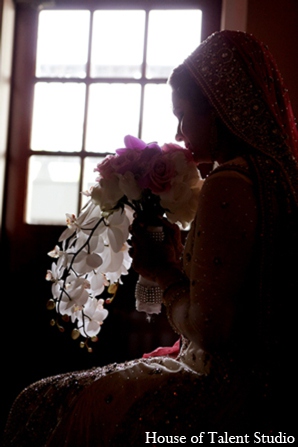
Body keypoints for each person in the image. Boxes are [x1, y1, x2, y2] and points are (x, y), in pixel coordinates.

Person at [3, 30, 297, 446]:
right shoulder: (276, 177)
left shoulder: (230, 182)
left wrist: (163, 271)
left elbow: (211, 332)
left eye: (183, 114)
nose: (178, 132)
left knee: (38, 404)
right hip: (267, 380)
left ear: (217, 110)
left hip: (224, 388)